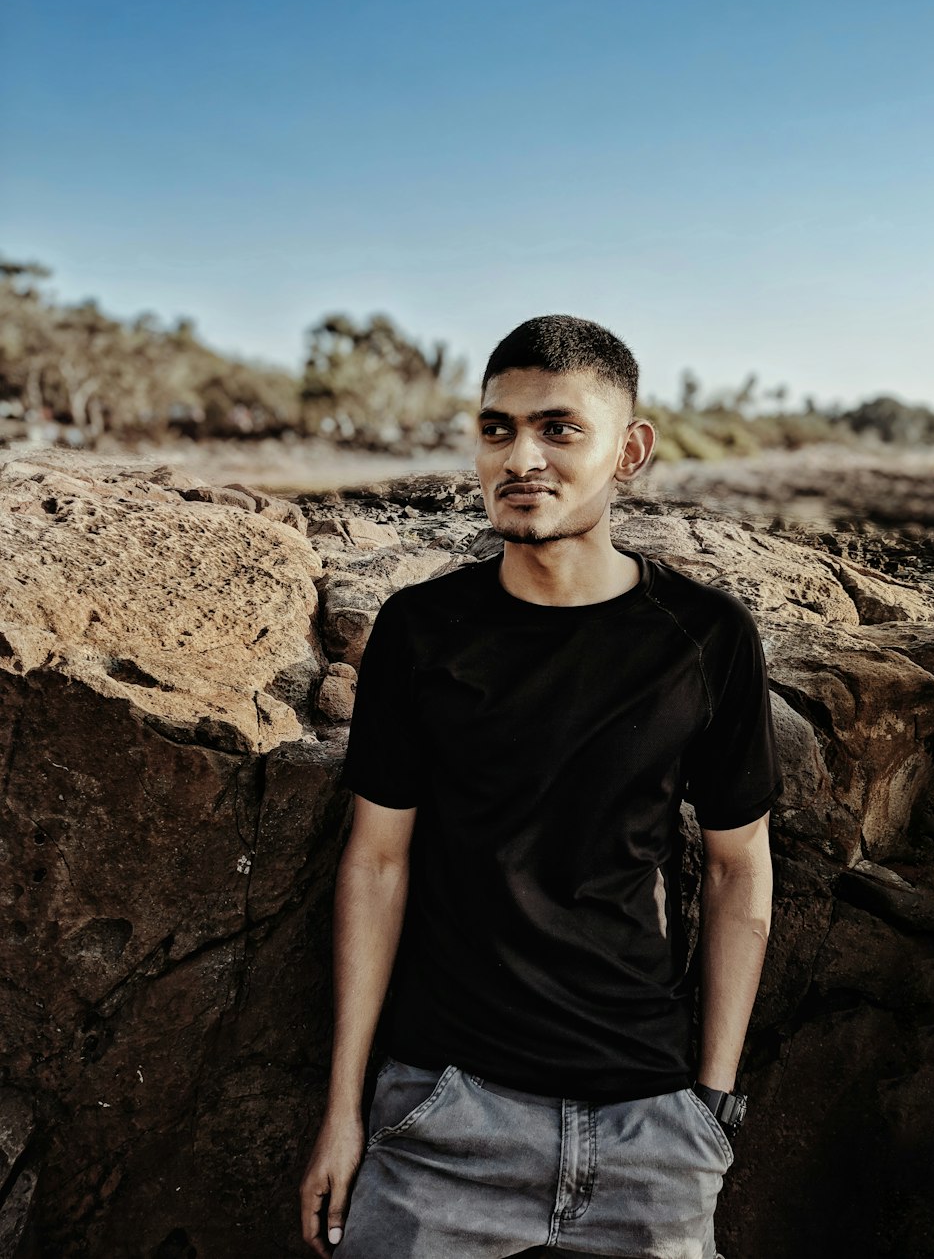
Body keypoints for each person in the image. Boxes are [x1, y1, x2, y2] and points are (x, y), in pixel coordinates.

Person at [300, 315, 782, 1259]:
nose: (521, 456)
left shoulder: (705, 636)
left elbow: (740, 874)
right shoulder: (422, 629)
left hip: (648, 1124)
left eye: (560, 428)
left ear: (628, 450)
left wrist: (713, 1109)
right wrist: (344, 1110)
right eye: (497, 428)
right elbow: (377, 863)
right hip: (443, 1118)